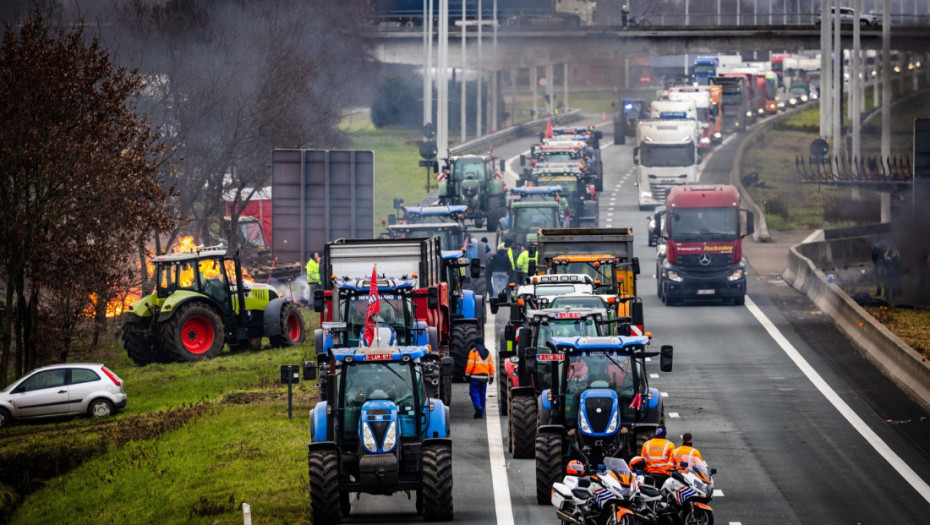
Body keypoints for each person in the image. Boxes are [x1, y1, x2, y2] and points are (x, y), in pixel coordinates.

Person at [465, 335, 494, 418]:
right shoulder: (488, 352)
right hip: (484, 378)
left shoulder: (473, 351)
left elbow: (470, 365)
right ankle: (481, 413)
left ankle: (478, 406)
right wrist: (491, 378)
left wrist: (466, 375)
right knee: (482, 394)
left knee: (474, 392)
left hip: (475, 377)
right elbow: (491, 366)